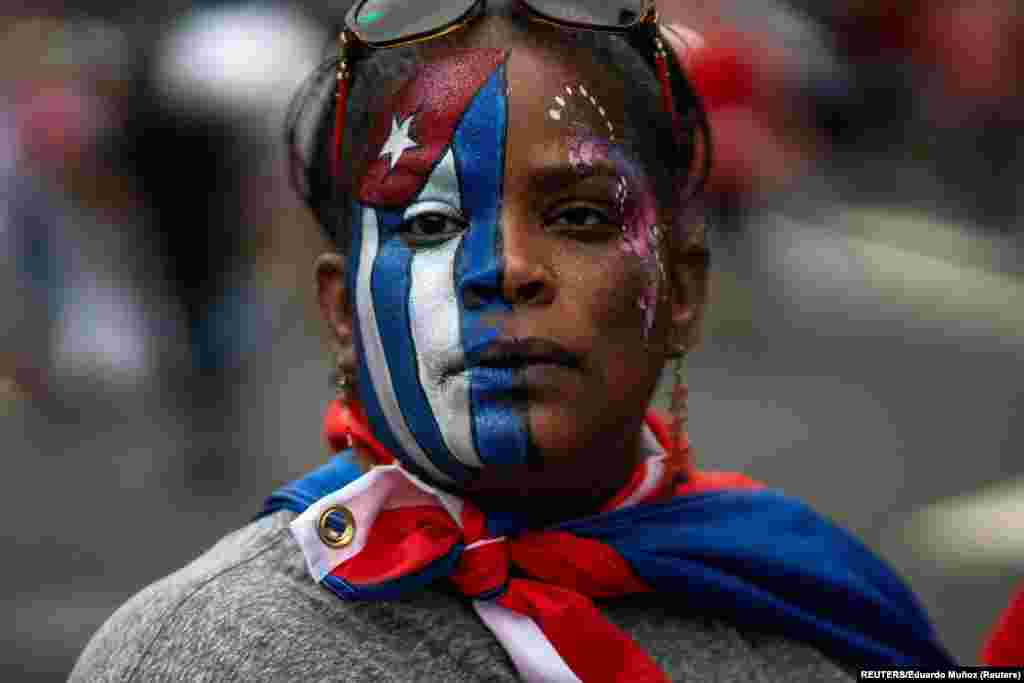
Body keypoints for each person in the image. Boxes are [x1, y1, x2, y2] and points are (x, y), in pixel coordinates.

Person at [71, 2, 956, 680]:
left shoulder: (821, 602)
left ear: (682, 291)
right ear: (341, 308)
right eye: (426, 222)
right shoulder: (201, 653)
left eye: (577, 215)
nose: (505, 269)